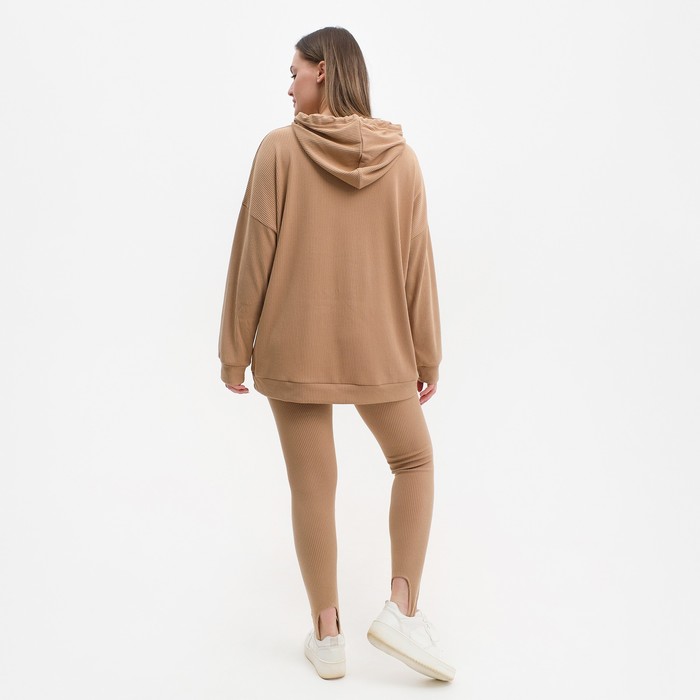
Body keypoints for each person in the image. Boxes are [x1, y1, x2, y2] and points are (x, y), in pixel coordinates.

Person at [217, 26, 455, 682]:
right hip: (381, 349)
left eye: (294, 72)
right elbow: (417, 266)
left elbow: (253, 255)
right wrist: (428, 355)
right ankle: (402, 609)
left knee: (313, 487)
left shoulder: (279, 150)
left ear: (323, 71)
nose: (289, 86)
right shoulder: (402, 161)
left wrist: (234, 352)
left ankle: (328, 635)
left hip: (295, 347)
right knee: (414, 460)